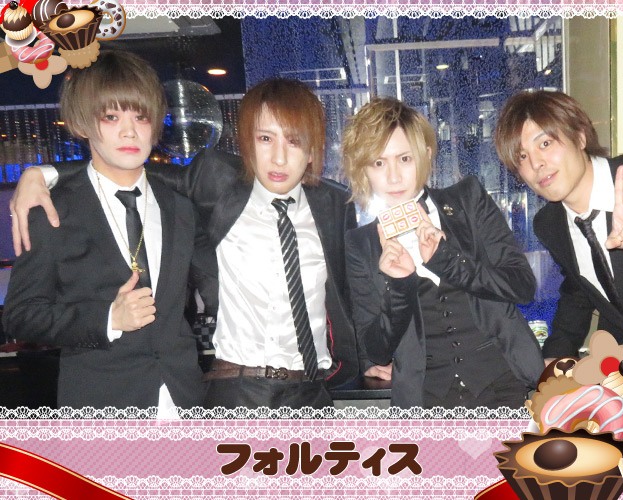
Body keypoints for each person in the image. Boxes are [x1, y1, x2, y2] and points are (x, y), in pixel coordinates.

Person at [10, 78, 361, 409]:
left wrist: (373, 359)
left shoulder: (334, 205)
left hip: (313, 393)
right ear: (247, 143)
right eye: (265, 139)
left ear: (312, 149)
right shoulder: (217, 183)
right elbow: (127, 168)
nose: (279, 158)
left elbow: (352, 291)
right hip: (237, 390)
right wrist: (41, 173)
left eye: (294, 141)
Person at [2, 51, 206, 414]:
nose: (130, 131)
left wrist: (44, 170)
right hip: (102, 406)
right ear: (81, 124)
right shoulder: (53, 211)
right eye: (111, 117)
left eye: (141, 117)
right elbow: (21, 315)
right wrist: (108, 319)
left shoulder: (179, 206)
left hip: (184, 401)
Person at [342, 97, 543, 409]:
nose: (393, 177)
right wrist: (399, 286)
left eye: (404, 159)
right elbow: (375, 350)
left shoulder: (468, 200)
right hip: (425, 401)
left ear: (425, 155)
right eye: (378, 163)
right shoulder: (362, 244)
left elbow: (521, 285)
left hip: (502, 384)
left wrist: (447, 260)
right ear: (363, 170)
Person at [494, 90, 623, 360]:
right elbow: (579, 291)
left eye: (545, 143)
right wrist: (555, 357)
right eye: (522, 157)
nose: (536, 164)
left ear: (580, 136)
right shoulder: (549, 223)